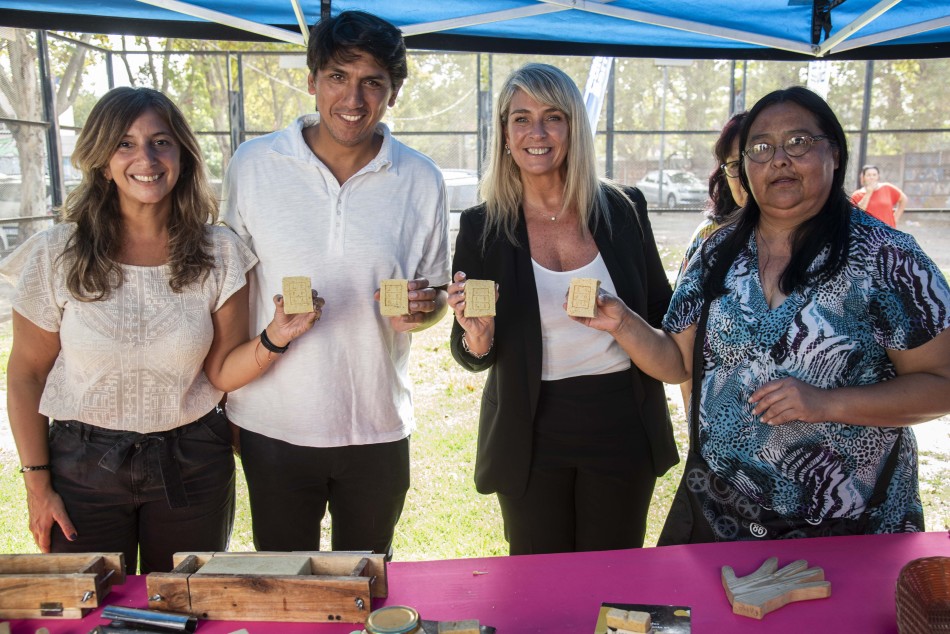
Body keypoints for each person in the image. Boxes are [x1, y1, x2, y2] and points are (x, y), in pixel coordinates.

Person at [589, 85, 950, 543]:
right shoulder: (716, 250)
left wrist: (825, 403)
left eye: (798, 142)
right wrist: (622, 322)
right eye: (761, 148)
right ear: (744, 167)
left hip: (849, 526)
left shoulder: (886, 259)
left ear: (834, 154)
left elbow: (943, 383)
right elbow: (677, 362)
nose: (779, 159)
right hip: (723, 512)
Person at [0, 87, 320, 574]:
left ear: (183, 156)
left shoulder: (220, 252)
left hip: (191, 463)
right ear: (101, 161)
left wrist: (276, 335)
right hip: (82, 468)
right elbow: (25, 374)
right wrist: (38, 485)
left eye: (161, 141)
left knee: (185, 607)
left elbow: (220, 369)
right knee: (93, 612)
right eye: (124, 143)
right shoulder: (56, 252)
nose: (145, 158)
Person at [221, 11, 449, 558]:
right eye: (338, 77)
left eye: (373, 82)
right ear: (311, 82)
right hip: (272, 422)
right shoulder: (253, 165)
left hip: (375, 423)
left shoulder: (421, 178)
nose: (354, 98)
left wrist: (424, 309)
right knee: (283, 589)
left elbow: (437, 290)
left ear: (392, 94)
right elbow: (227, 287)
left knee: (365, 587)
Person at [447, 63, 678, 555]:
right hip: (529, 428)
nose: (536, 132)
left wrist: (621, 319)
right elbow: (469, 348)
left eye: (553, 117)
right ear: (505, 134)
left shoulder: (623, 209)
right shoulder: (481, 226)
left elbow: (663, 315)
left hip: (622, 421)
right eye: (521, 118)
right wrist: (478, 337)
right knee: (539, 580)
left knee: (613, 576)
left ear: (574, 127)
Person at [675, 111, 748, 285]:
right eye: (736, 165)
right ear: (724, 175)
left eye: (759, 158)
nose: (748, 176)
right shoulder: (708, 236)